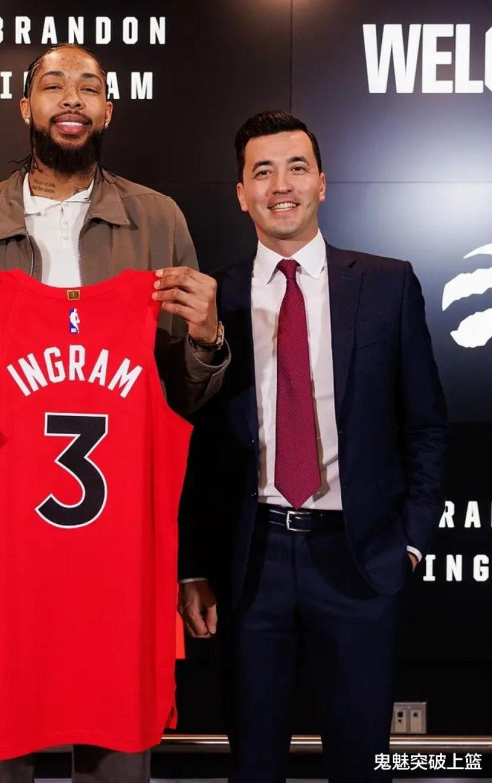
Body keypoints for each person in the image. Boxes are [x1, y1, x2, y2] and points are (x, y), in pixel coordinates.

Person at [0, 44, 228, 783]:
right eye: (53, 85)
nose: (71, 98)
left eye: (89, 87)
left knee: (117, 757)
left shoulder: (157, 220)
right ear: (26, 107)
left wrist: (208, 339)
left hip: (117, 541)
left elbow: (182, 400)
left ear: (109, 111)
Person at [178, 110, 448, 783]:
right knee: (254, 763)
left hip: (361, 558)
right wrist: (193, 566)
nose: (281, 185)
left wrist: (409, 544)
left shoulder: (387, 284)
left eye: (296, 168)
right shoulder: (215, 296)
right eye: (262, 171)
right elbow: (195, 443)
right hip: (253, 564)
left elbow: (426, 426)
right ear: (241, 193)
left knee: (363, 764)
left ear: (322, 183)